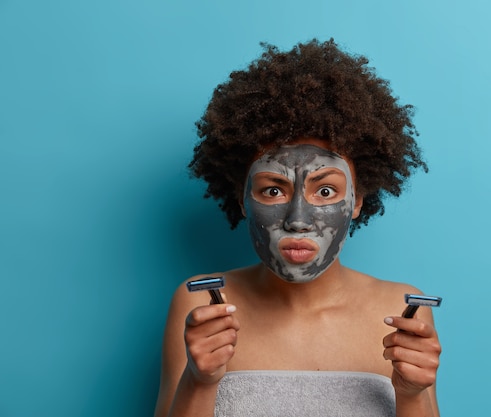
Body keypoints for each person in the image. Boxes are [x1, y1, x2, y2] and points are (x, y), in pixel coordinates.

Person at [154, 39, 442, 417]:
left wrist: (411, 394)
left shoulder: (402, 309)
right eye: (273, 189)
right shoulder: (202, 305)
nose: (298, 219)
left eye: (325, 190)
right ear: (242, 198)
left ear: (357, 201)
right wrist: (199, 380)